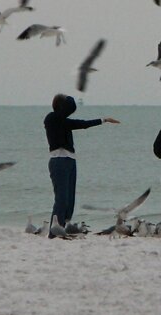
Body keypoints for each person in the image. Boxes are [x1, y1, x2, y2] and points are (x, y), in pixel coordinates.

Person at [44, 94, 119, 236]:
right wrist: (69, 99)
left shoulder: (64, 121)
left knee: (69, 200)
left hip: (70, 160)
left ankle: (63, 229)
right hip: (58, 161)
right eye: (65, 103)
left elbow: (83, 124)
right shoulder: (51, 118)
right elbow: (72, 109)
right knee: (61, 199)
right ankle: (54, 232)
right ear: (61, 106)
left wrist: (103, 120)